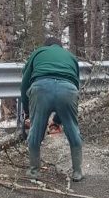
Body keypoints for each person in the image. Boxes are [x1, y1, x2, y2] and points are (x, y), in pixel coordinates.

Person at [21, 37, 83, 181]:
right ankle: (78, 172)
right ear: (60, 47)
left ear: (46, 46)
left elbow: (24, 83)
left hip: (41, 89)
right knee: (73, 130)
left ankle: (34, 171)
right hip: (68, 90)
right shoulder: (71, 57)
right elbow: (75, 83)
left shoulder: (38, 52)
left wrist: (27, 112)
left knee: (36, 131)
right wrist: (57, 120)